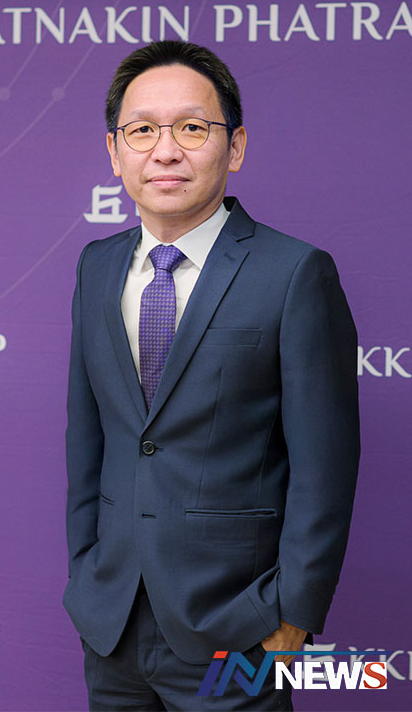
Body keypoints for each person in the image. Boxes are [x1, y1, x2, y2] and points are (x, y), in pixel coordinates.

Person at [63, 41, 359, 710]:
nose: (165, 151)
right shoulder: (96, 266)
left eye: (192, 127)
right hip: (112, 624)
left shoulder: (294, 273)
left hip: (240, 629)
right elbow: (88, 441)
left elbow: (325, 468)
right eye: (142, 130)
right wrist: (85, 575)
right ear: (114, 151)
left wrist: (293, 617)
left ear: (236, 146)